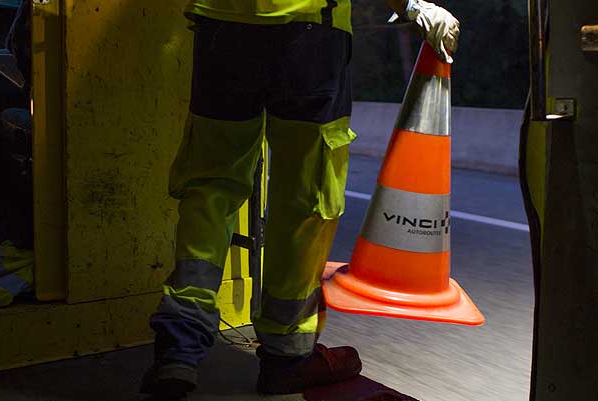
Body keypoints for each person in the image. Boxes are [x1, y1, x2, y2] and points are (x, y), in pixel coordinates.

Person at [141, 1, 460, 399]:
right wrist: (410, 5)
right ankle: (286, 357)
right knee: (304, 194)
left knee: (211, 187)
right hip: (310, 33)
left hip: (222, 27)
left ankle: (178, 351)